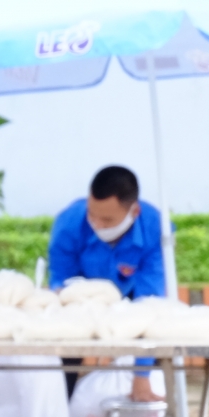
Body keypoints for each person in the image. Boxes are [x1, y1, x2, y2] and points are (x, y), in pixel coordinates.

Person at [49, 164, 166, 402]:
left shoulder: (155, 230)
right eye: (92, 214)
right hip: (81, 303)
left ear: (134, 211)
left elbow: (150, 303)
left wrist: (141, 375)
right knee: (63, 368)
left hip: (133, 299)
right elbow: (61, 286)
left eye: (107, 219)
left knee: (160, 345)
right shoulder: (69, 224)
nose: (97, 224)